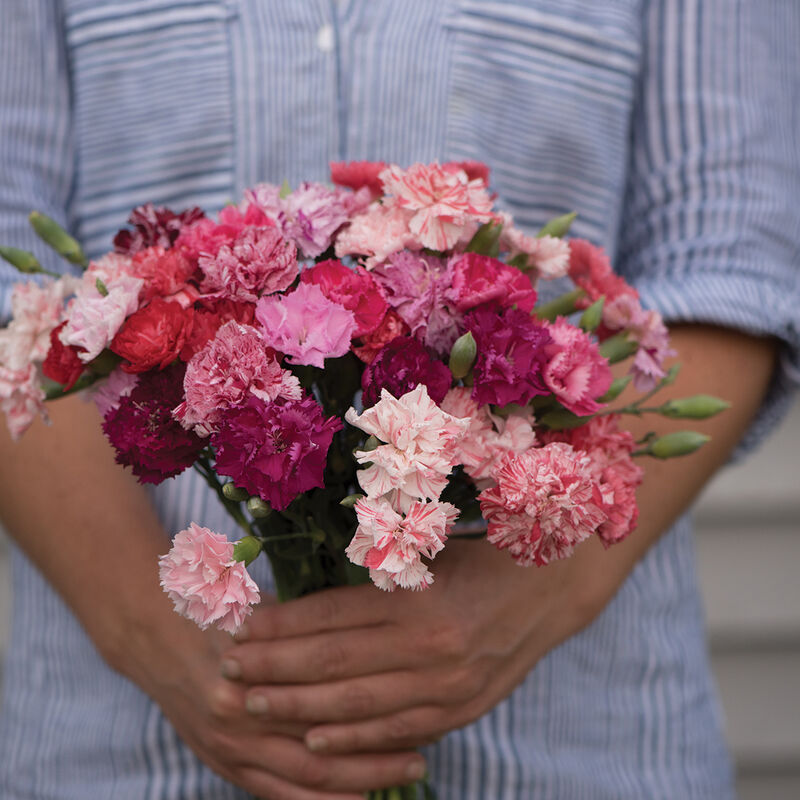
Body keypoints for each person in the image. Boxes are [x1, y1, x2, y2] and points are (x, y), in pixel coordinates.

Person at [0, 1, 797, 798]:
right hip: (118, 753)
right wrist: (164, 642)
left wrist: (532, 593)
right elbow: (11, 288)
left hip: (575, 747)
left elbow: (734, 266)